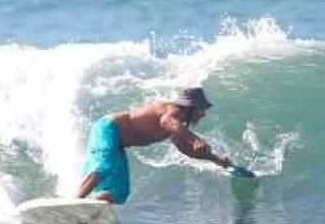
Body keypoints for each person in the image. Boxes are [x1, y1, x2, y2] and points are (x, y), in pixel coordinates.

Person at [76, 87, 233, 205]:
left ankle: (92, 213)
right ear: (190, 106)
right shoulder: (173, 111)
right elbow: (167, 122)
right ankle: (75, 202)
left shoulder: (178, 124)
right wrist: (194, 139)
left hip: (118, 144)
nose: (203, 114)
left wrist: (214, 159)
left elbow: (185, 149)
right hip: (108, 128)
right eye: (201, 109)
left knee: (120, 192)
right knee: (104, 166)